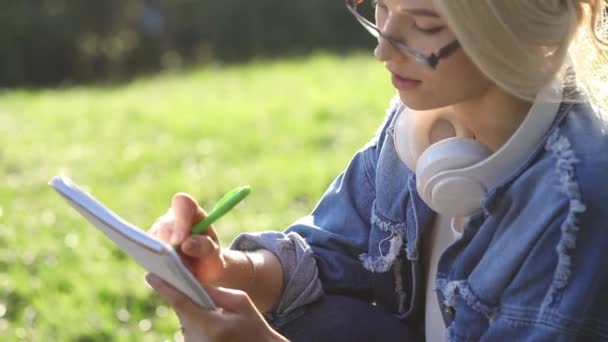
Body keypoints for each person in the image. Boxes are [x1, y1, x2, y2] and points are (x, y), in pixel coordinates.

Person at [146, 0, 608, 341]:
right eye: (382, 9)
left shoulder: (577, 201)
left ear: (519, 31)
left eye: (423, 26)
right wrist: (228, 267)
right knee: (328, 321)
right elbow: (327, 255)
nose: (383, 51)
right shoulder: (416, 125)